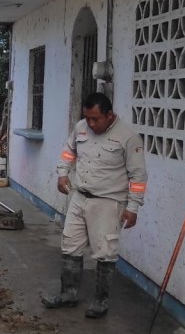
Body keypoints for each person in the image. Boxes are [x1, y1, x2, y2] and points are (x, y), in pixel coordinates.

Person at [42, 92, 148, 318]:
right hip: (79, 197)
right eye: (87, 118)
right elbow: (69, 151)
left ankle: (100, 301)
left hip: (108, 203)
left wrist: (133, 208)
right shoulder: (81, 127)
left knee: (105, 253)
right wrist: (62, 173)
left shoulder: (128, 137)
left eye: (95, 119)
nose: (90, 124)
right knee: (70, 245)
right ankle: (68, 294)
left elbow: (138, 177)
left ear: (109, 115)